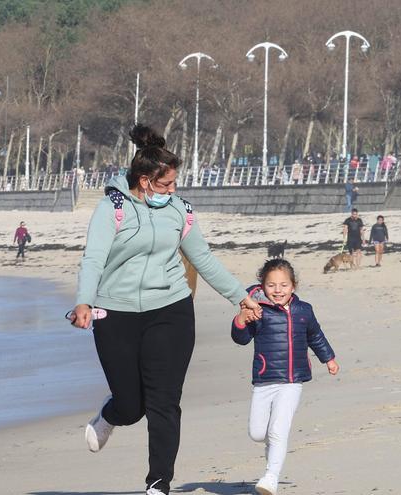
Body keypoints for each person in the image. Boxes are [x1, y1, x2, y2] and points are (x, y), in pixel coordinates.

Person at [70, 124, 262, 495]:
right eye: (166, 185)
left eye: (174, 184)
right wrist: (84, 301)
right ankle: (111, 414)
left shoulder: (180, 211)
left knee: (164, 402)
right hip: (115, 312)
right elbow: (93, 257)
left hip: (171, 311)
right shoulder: (112, 208)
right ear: (144, 181)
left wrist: (240, 296)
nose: (172, 191)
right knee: (131, 405)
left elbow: (202, 259)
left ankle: (159, 483)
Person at [231, 259, 338, 495]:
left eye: (283, 285)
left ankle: (271, 477)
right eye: (271, 285)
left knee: (279, 430)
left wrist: (328, 358)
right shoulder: (257, 311)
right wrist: (241, 319)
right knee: (258, 433)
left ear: (293, 286)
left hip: (292, 381)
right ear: (262, 286)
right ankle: (271, 449)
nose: (277, 290)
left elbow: (316, 336)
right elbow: (240, 338)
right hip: (264, 379)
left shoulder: (304, 310)